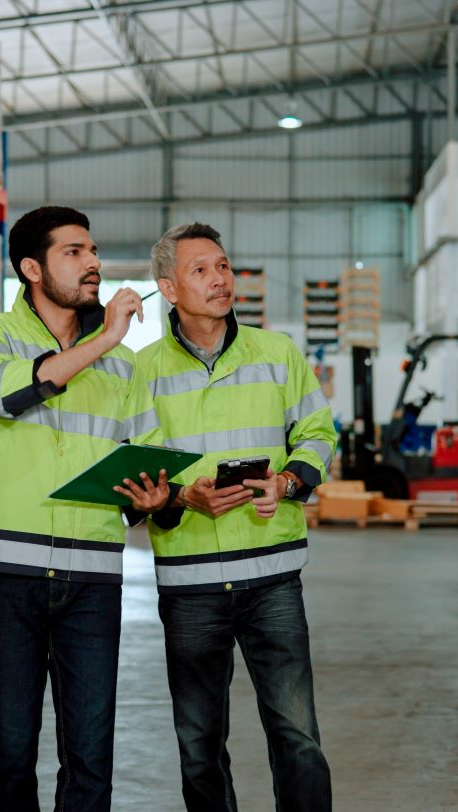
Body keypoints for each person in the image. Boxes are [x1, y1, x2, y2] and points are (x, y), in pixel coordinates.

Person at [0, 206, 170, 811]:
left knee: (90, 752)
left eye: (93, 250)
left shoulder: (124, 366)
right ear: (31, 268)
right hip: (10, 575)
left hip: (94, 578)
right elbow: (6, 394)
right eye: (74, 251)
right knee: (13, 748)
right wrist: (105, 339)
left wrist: (152, 498)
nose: (94, 262)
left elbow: (141, 457)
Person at [134, 222, 336, 812]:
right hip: (190, 585)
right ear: (169, 289)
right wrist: (180, 497)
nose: (220, 278)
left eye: (223, 266)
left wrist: (289, 481)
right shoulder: (142, 371)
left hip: (273, 578)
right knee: (199, 744)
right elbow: (143, 471)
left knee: (297, 736)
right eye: (201, 269)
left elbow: (318, 433)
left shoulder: (277, 354)